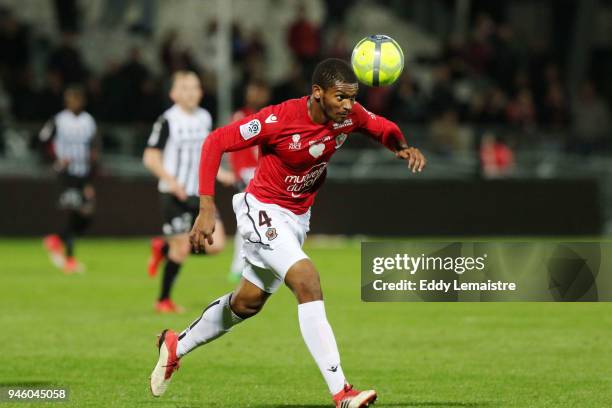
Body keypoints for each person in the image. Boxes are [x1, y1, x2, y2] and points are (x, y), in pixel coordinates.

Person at [149, 59, 426, 407]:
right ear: (317, 93)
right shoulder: (278, 119)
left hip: (296, 219)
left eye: (352, 98)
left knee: (247, 303)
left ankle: (177, 344)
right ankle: (342, 392)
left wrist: (400, 145)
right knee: (307, 278)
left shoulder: (348, 115)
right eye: (340, 97)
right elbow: (215, 142)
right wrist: (206, 207)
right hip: (261, 210)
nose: (348, 105)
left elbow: (380, 126)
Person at [143, 70, 233, 313]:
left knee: (216, 245)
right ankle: (163, 300)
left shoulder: (204, 117)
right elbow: (150, 157)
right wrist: (170, 181)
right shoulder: (167, 120)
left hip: (200, 194)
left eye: (195, 87)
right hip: (175, 194)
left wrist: (221, 173)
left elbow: (205, 155)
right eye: (184, 87)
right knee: (182, 248)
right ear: (173, 93)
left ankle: (163, 248)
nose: (191, 92)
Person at [41, 86, 98, 274]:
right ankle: (70, 259)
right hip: (66, 174)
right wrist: (55, 160)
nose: (75, 103)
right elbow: (43, 140)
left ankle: (56, 239)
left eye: (78, 99)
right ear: (66, 102)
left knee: (87, 213)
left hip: (83, 173)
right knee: (74, 211)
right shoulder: (59, 120)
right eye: (71, 99)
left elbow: (94, 148)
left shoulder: (88, 121)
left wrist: (90, 178)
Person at [227, 79, 270, 282]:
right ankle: (239, 267)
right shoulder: (241, 116)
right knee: (247, 221)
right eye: (253, 91)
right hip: (247, 174)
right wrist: (236, 173)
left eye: (259, 91)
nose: (256, 95)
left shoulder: (270, 116)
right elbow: (233, 147)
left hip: (264, 173)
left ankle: (254, 263)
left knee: (258, 220)